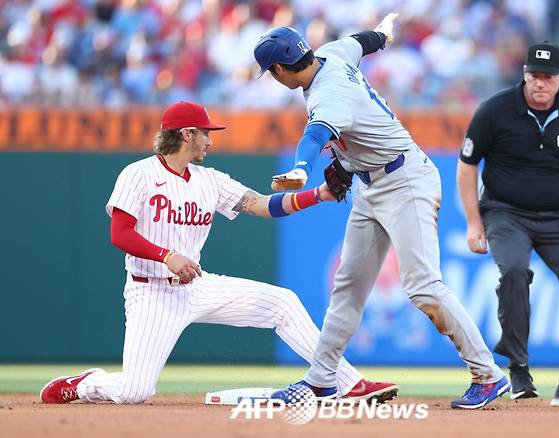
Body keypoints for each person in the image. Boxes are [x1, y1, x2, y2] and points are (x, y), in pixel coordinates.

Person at [39, 101, 398, 405]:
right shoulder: (138, 174)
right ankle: (85, 383)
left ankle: (348, 383)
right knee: (135, 391)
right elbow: (120, 233)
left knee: (282, 303)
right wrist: (167, 255)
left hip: (196, 286)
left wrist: (318, 194)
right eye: (205, 132)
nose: (210, 140)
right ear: (186, 134)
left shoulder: (209, 179)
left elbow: (261, 205)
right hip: (150, 291)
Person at [253, 15, 509, 409]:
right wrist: (386, 31)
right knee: (348, 287)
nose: (273, 78)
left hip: (405, 181)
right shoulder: (332, 53)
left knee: (423, 285)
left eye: (271, 73)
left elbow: (315, 135)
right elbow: (365, 40)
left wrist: (302, 168)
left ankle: (488, 375)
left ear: (280, 69)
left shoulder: (328, 94)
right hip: (370, 185)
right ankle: (322, 380)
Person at [456, 42, 559, 407]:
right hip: (506, 212)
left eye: (548, 76)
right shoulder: (496, 110)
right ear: (524, 74)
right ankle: (518, 368)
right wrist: (474, 223)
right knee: (515, 272)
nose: (540, 83)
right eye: (534, 76)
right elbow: (467, 166)